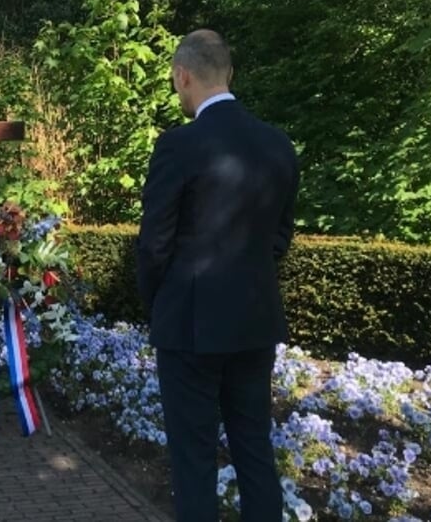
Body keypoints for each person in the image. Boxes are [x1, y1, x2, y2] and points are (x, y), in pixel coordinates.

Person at [136, 29, 299, 521]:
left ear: (183, 76)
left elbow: (154, 244)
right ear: (230, 73)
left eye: (174, 80)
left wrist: (157, 304)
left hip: (189, 327)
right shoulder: (278, 145)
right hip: (254, 323)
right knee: (255, 452)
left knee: (194, 462)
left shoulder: (178, 146)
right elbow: (279, 237)